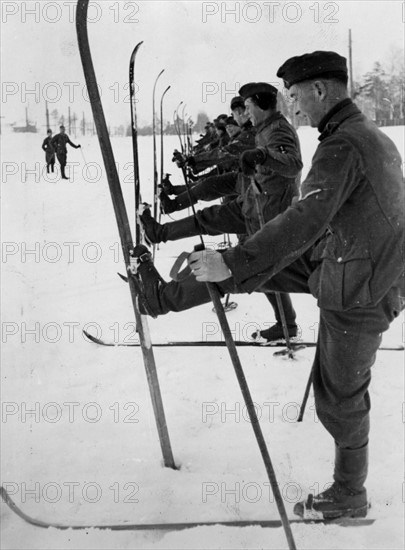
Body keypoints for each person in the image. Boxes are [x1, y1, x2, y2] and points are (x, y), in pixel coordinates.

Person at [133, 51, 404, 519]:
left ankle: (348, 495)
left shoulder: (345, 144)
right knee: (243, 272)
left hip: (360, 287)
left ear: (320, 90)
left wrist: (241, 257)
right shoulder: (365, 137)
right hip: (344, 263)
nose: (295, 108)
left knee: (340, 397)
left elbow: (307, 214)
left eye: (297, 96)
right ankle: (163, 298)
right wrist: (239, 263)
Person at [140, 83, 301, 342]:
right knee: (219, 231)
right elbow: (232, 153)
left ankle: (163, 296)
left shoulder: (278, 131)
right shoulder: (265, 129)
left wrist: (261, 156)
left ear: (261, 105)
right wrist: (198, 160)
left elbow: (291, 165)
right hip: (253, 204)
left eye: (248, 107)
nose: (246, 114)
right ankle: (159, 235)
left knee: (240, 270)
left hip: (267, 212)